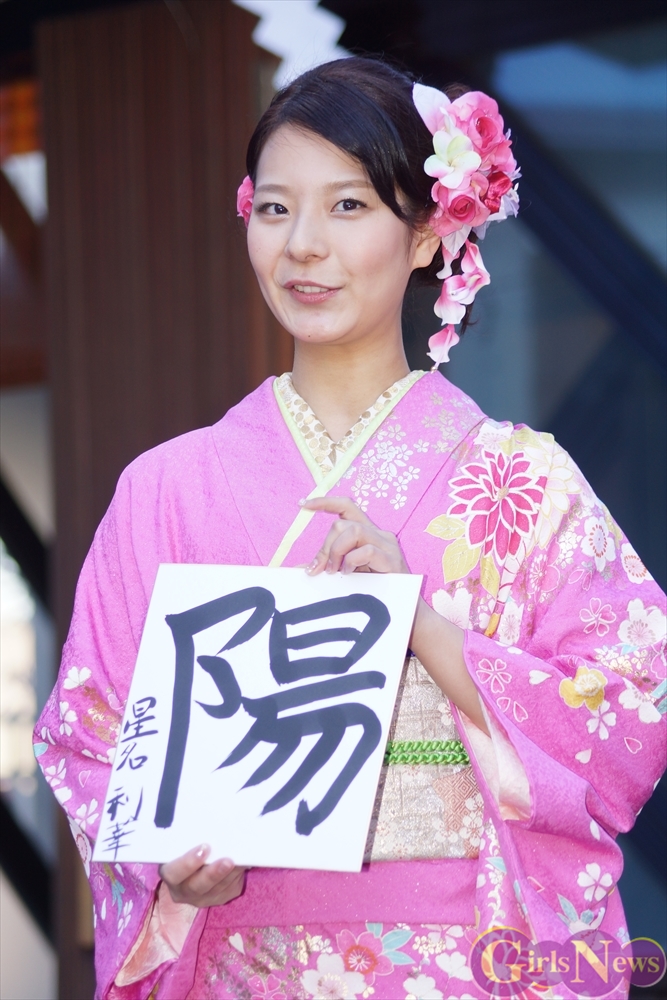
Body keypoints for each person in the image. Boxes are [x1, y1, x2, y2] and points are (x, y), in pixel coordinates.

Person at [35, 57, 666, 1000]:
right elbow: (89, 733)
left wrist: (421, 626)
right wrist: (165, 865)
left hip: (461, 961)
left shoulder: (523, 482)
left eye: (347, 206)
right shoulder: (163, 489)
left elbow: (630, 706)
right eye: (275, 209)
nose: (303, 246)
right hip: (241, 962)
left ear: (426, 234)